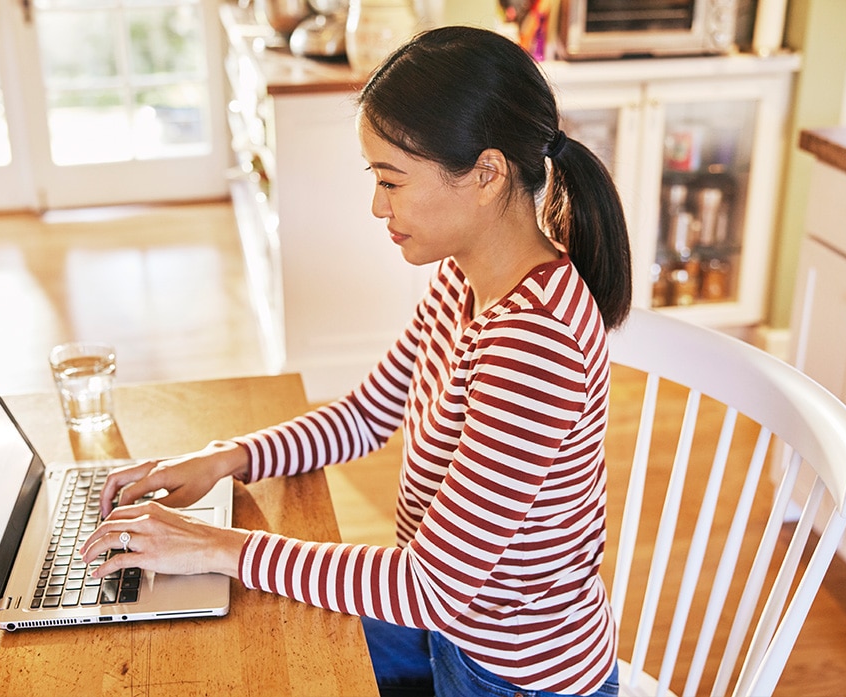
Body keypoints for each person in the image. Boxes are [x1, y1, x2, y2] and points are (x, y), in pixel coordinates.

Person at [80, 25, 631, 697]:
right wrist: (225, 456)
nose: (377, 206)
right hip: (449, 629)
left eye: (392, 181)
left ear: (486, 174)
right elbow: (367, 414)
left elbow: (428, 585)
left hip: (514, 673)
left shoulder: (534, 345)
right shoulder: (467, 278)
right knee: (249, 640)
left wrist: (213, 545)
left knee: (251, 640)